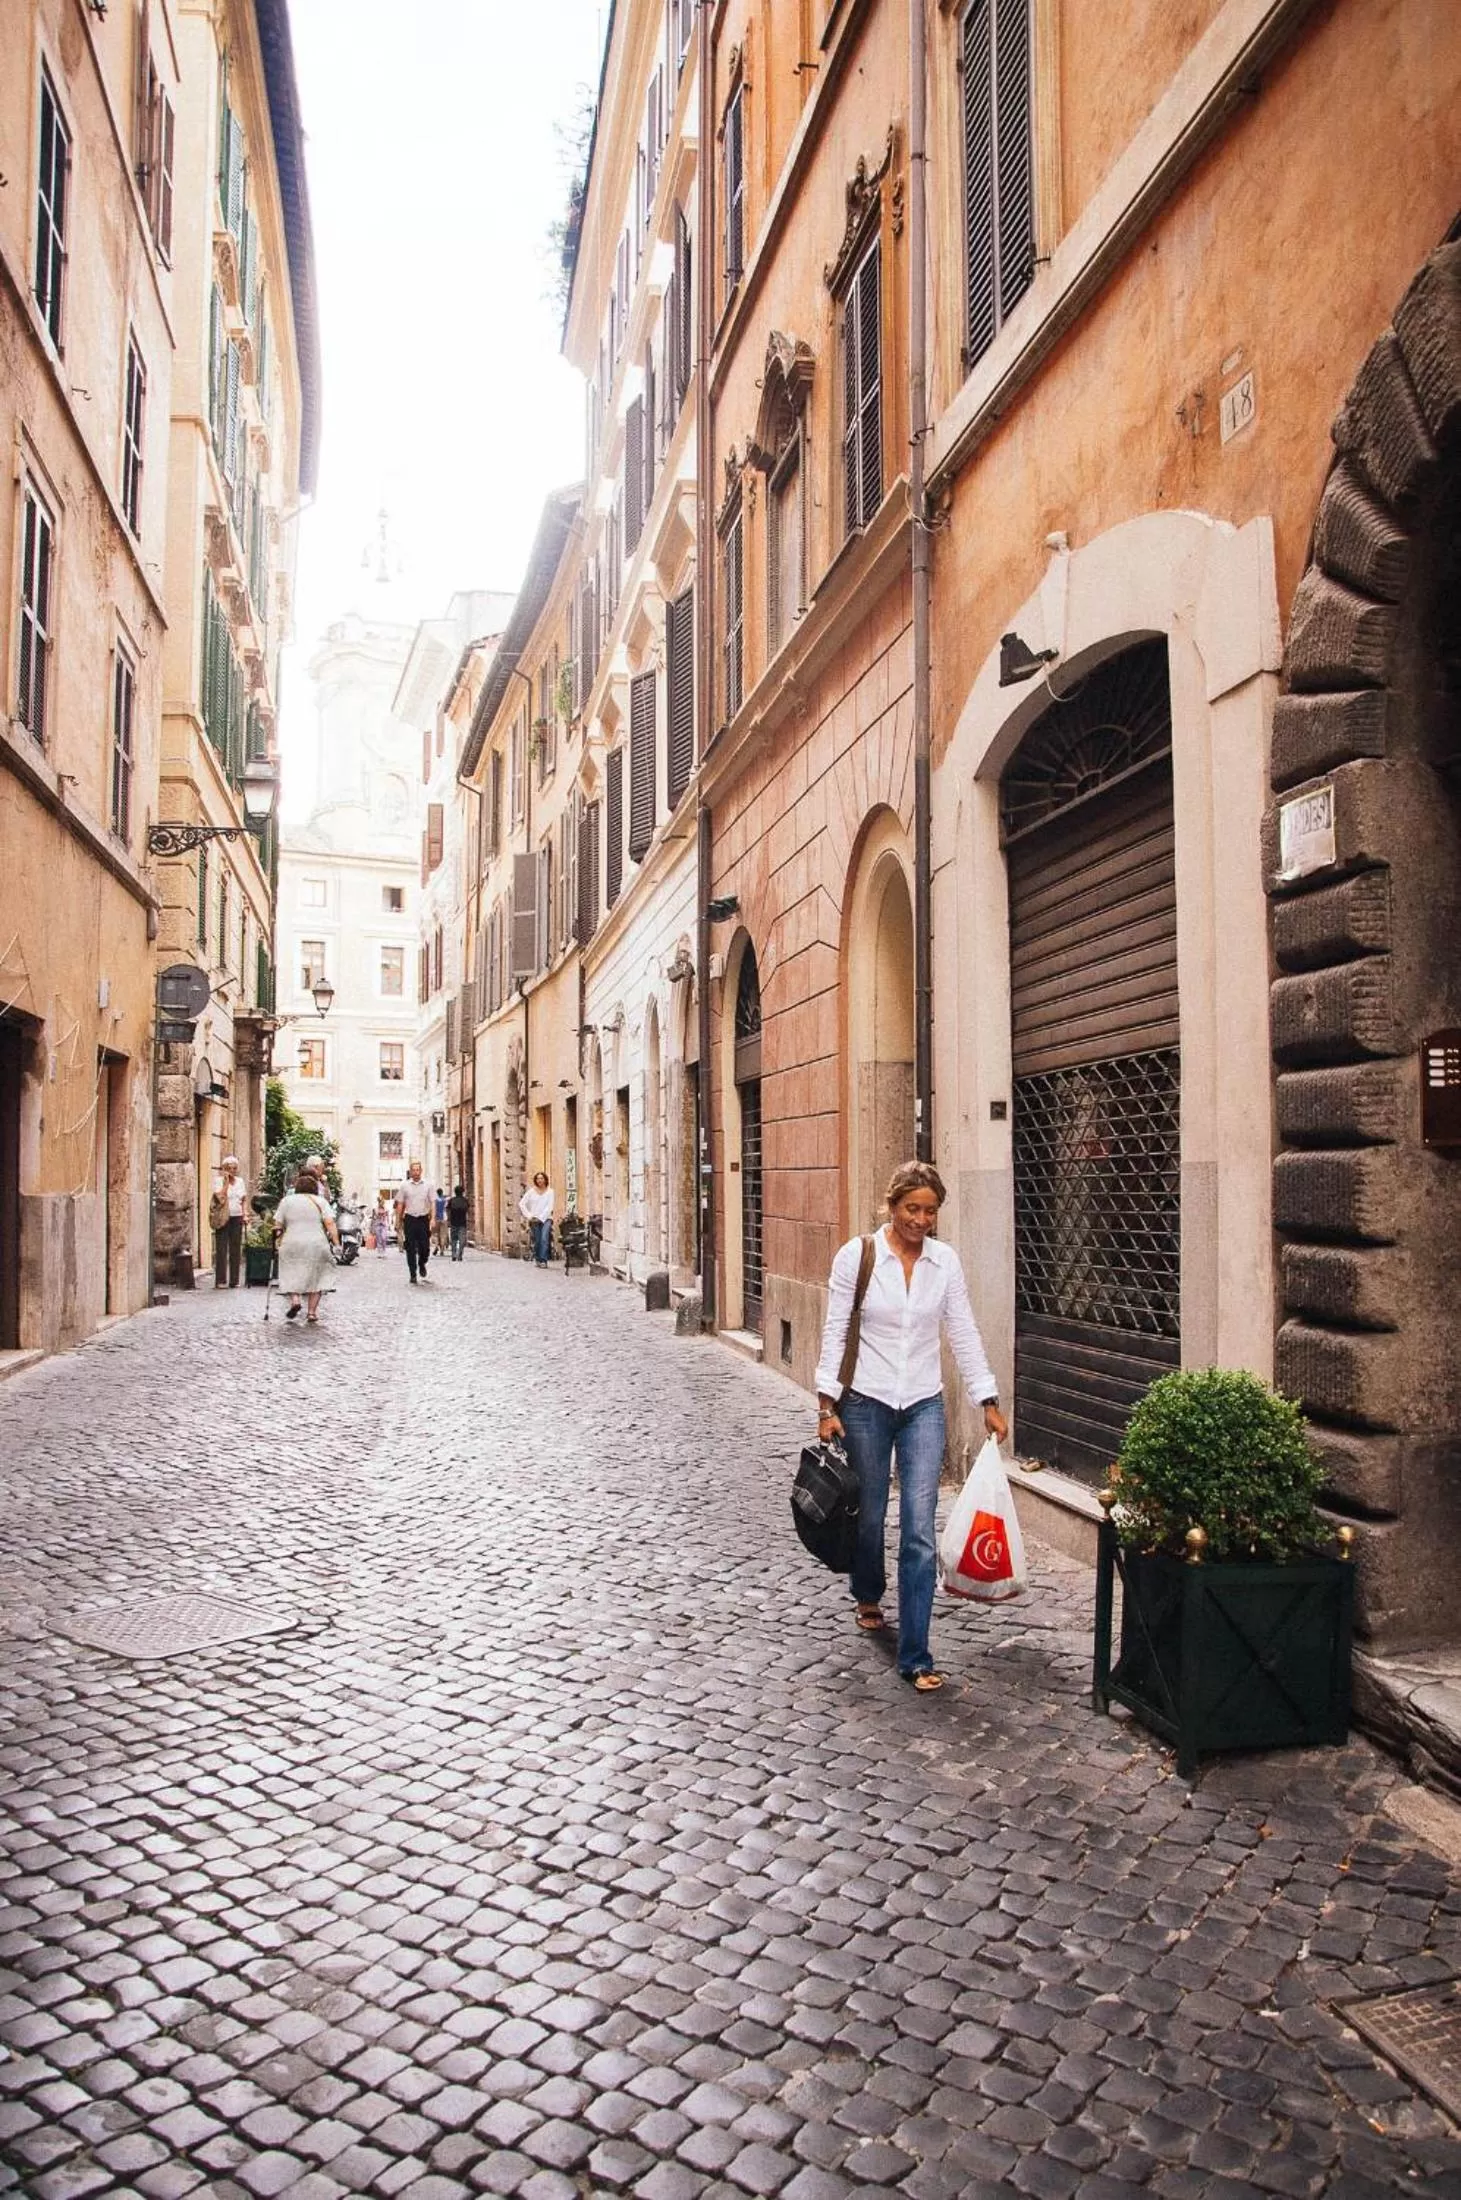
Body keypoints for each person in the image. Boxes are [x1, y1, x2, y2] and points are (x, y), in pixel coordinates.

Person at [814, 1160, 1009, 1693]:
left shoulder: (944, 1264)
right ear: (892, 1205)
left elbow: (963, 1331)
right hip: (866, 1403)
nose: (921, 1220)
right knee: (871, 1514)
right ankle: (868, 1590)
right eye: (911, 1209)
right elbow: (836, 1330)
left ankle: (916, 1654)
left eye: (930, 1211)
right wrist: (826, 1402)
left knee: (920, 1529)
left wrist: (986, 1397)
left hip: (924, 1404)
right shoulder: (858, 1257)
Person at [273, 1167, 339, 1324]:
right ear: (315, 1188)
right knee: (318, 1275)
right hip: (316, 1242)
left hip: (291, 1242)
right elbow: (330, 1223)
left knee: (291, 1271)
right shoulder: (321, 1202)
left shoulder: (286, 1201)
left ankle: (295, 1300)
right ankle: (311, 1312)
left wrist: (276, 1240)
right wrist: (336, 1243)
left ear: (296, 1188)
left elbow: (277, 1225)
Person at [210, 1156, 247, 1288]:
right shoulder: (218, 1181)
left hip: (236, 1216)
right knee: (221, 1248)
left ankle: (234, 1280)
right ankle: (220, 1280)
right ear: (223, 1169)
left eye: (234, 1168)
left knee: (236, 1248)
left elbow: (243, 1199)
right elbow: (220, 1197)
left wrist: (245, 1214)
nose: (232, 1170)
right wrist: (226, 1182)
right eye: (229, 1168)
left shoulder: (240, 1181)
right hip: (222, 1217)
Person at [396, 1161, 435, 1282]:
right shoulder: (404, 1186)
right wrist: (398, 1220)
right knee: (410, 1247)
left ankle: (422, 1263)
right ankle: (412, 1273)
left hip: (423, 1219)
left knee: (425, 1247)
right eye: (414, 1170)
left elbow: (433, 1202)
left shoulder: (428, 1185)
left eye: (418, 1170)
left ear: (421, 1171)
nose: (416, 1172)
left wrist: (433, 1219)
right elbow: (400, 1204)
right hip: (410, 1219)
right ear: (410, 1172)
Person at [519, 1172, 554, 1266]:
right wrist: (529, 1216)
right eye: (538, 1178)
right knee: (537, 1240)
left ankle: (543, 1260)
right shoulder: (531, 1192)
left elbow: (549, 1207)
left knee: (544, 1238)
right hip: (534, 1219)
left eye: (542, 1178)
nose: (540, 1180)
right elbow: (521, 1204)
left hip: (546, 1218)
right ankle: (538, 1258)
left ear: (545, 1180)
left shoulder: (550, 1192)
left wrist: (541, 1218)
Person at [447, 1183, 470, 1262]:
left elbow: (448, 1210)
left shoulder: (451, 1200)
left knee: (454, 1240)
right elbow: (467, 1210)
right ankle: (459, 1254)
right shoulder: (465, 1201)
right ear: (462, 1192)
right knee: (462, 1240)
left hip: (453, 1222)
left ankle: (454, 1254)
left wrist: (449, 1220)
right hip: (462, 1223)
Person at [434, 1186, 449, 1256]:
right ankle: (442, 1249)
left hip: (436, 1218)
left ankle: (436, 1246)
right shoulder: (445, 1200)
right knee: (443, 1234)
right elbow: (446, 1208)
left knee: (436, 1234)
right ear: (442, 1193)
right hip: (444, 1218)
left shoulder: (434, 1200)